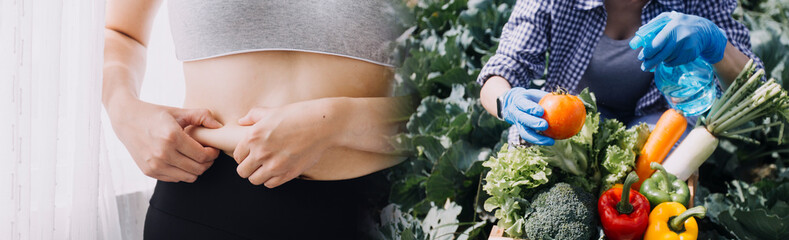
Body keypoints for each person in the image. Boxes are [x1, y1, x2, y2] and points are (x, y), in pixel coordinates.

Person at [102, 0, 409, 239]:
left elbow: (452, 106)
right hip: (203, 204)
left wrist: (334, 122)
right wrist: (125, 111)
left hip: (379, 214)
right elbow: (119, 33)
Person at [478, 0, 763, 146]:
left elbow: (754, 89)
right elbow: (504, 67)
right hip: (568, 117)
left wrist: (716, 44)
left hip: (658, 123)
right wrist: (507, 100)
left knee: (669, 166)